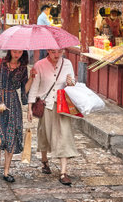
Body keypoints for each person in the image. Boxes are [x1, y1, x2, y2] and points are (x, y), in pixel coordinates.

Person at [0, 50, 36, 183]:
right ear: (10, 50)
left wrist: (32, 78)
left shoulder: (23, 68)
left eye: (19, 51)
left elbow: (24, 90)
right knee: (1, 140)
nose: (16, 53)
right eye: (14, 50)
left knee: (11, 138)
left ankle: (6, 172)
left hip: (13, 105)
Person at [28, 49, 79, 186]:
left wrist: (71, 82)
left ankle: (63, 172)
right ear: (48, 51)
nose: (56, 55)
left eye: (59, 52)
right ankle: (44, 161)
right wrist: (29, 107)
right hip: (46, 106)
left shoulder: (67, 64)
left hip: (62, 106)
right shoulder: (39, 65)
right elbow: (34, 87)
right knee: (44, 134)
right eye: (53, 52)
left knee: (64, 135)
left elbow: (72, 83)